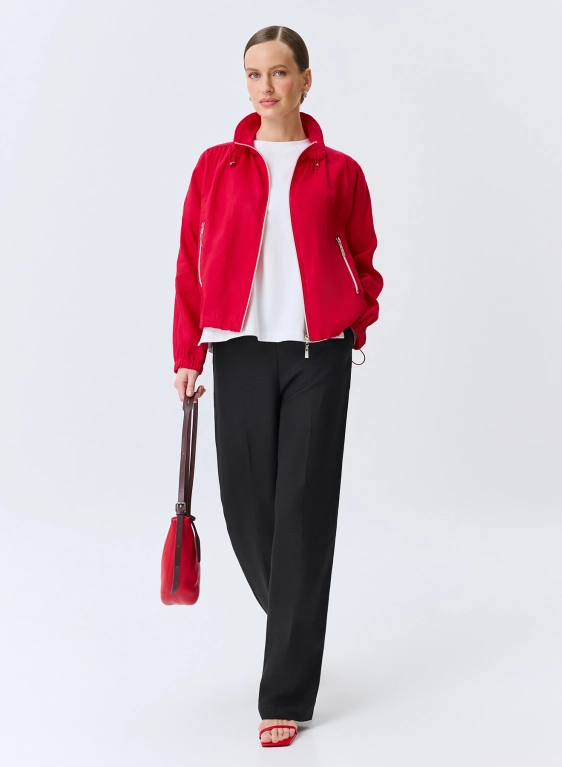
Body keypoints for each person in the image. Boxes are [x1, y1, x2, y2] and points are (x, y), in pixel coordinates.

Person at [172, 25, 384, 747]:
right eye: (254, 74)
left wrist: (354, 318)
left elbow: (364, 256)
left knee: (303, 507)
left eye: (280, 72)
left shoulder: (339, 170)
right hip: (237, 351)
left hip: (318, 353)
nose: (266, 87)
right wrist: (188, 352)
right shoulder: (217, 166)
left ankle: (285, 692)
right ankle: (299, 616)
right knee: (245, 506)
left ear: (305, 80)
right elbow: (190, 261)